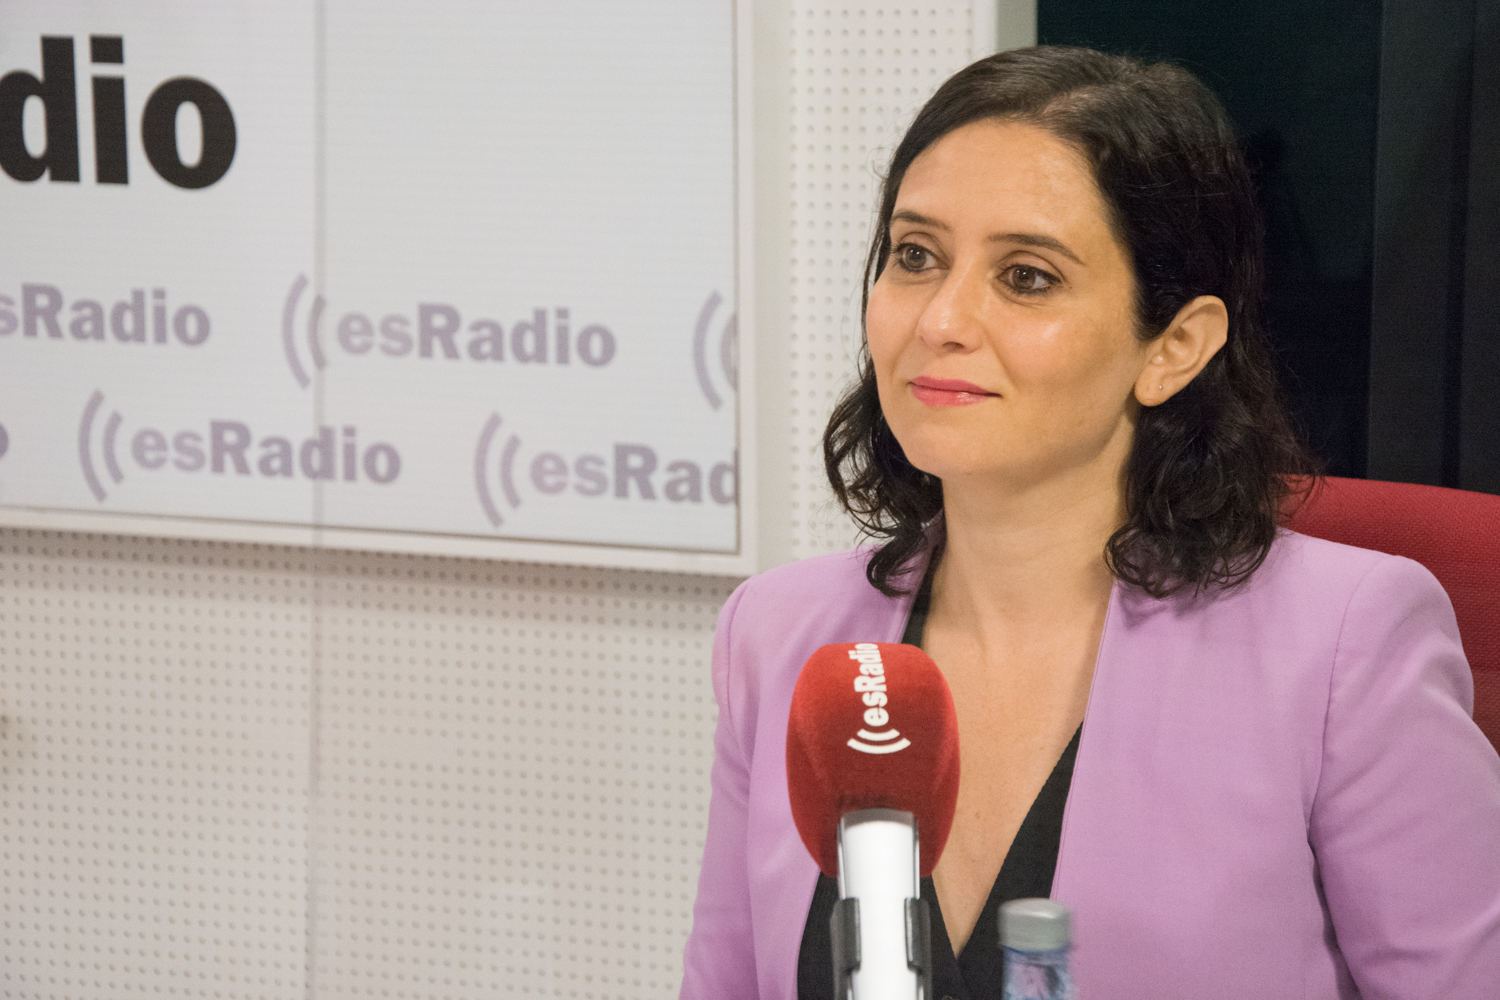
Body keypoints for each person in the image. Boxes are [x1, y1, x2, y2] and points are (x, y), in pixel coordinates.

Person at [679, 46, 1500, 1000]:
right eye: (915, 256)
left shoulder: (1343, 644)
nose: (941, 319)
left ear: (1175, 346)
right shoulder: (777, 633)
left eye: (1026, 277)